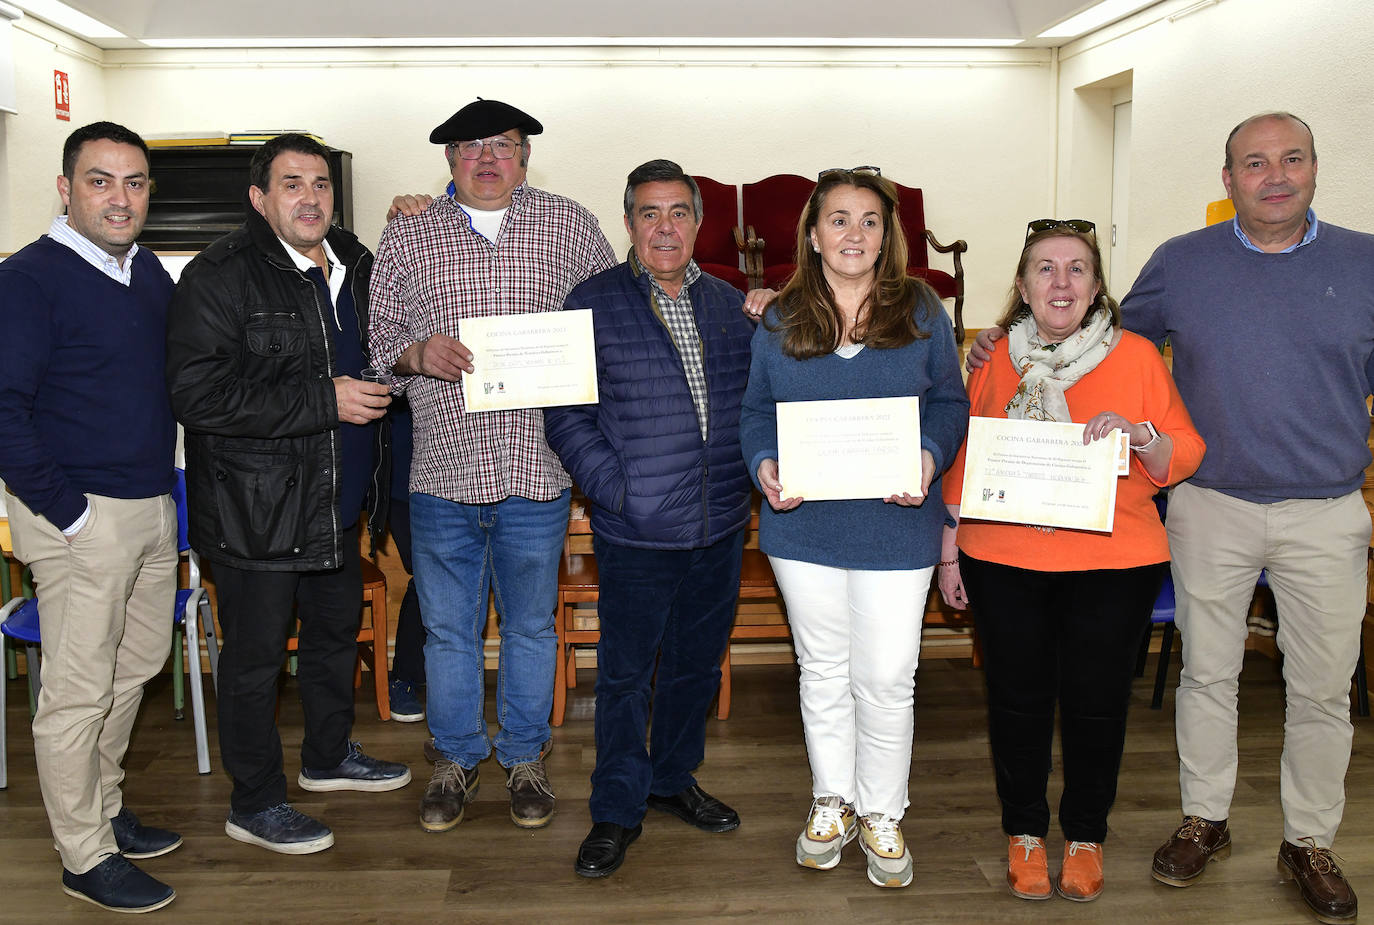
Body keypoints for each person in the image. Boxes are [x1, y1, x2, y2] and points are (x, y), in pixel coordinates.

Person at [968, 112, 1374, 924]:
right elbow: (1100, 344)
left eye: (1291, 158)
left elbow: (1121, 368)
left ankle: (1311, 839)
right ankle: (1205, 819)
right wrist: (991, 349)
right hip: (1210, 506)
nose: (1275, 175)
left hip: (1326, 507)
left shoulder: (1366, 262)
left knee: (1324, 688)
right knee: (1207, 675)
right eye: (1254, 163)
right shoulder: (1182, 264)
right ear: (1227, 181)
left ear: (1316, 169)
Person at [368, 98, 617, 833]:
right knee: (448, 632)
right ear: (448, 160)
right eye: (471, 147)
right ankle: (452, 758)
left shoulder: (569, 225)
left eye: (502, 146)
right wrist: (416, 355)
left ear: (524, 156)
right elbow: (378, 346)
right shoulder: (409, 232)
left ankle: (524, 756)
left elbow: (612, 317)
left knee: (533, 626)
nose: (487, 159)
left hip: (537, 469)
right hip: (443, 470)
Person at [938, 220, 1205, 902]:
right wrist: (948, 550)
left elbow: (1183, 452)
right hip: (1003, 557)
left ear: (1096, 285)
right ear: (1023, 285)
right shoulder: (993, 356)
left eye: (1077, 268)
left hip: (1113, 563)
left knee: (1097, 707)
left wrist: (1138, 433)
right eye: (1046, 268)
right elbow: (964, 454)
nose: (1062, 281)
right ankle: (1024, 832)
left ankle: (1086, 835)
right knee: (1016, 703)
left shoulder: (1139, 355)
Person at [166, 133, 410, 856]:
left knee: (334, 640)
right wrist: (321, 400)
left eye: (321, 184)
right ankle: (256, 801)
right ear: (259, 197)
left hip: (338, 504)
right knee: (254, 661)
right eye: (292, 183)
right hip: (255, 513)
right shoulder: (220, 274)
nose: (310, 197)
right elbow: (197, 393)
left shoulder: (355, 263)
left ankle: (328, 755)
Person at [738, 168, 969, 889]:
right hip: (803, 526)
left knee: (887, 676)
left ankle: (882, 810)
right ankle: (831, 800)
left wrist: (930, 459)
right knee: (824, 672)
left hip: (897, 524)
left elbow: (951, 405)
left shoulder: (924, 309)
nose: (853, 234)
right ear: (813, 234)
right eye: (838, 219)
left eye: (869, 221)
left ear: (887, 236)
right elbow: (754, 413)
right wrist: (764, 464)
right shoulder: (780, 318)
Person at [544, 159, 757, 878]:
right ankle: (615, 808)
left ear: (699, 221)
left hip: (721, 520)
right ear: (628, 222)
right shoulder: (590, 300)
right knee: (627, 677)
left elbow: (763, 404)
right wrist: (615, 489)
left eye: (678, 213)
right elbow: (567, 416)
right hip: (635, 529)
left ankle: (671, 779)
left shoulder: (734, 306)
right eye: (648, 213)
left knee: (695, 667)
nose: (664, 227)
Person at [0, 121, 180, 914]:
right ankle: (84, 852)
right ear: (66, 188)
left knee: (132, 667)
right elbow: (2, 408)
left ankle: (103, 808)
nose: (120, 197)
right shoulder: (29, 278)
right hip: (78, 514)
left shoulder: (145, 274)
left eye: (135, 182)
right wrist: (68, 514)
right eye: (101, 180)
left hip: (148, 504)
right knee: (77, 691)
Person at [383, 395, 426, 723]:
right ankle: (404, 678)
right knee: (427, 577)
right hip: (401, 472)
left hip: (469, 465)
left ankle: (419, 673)